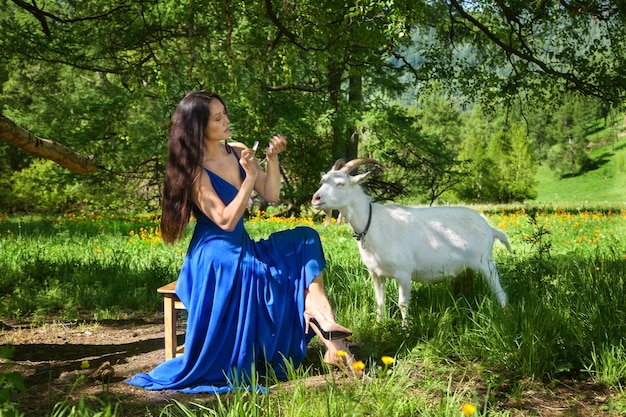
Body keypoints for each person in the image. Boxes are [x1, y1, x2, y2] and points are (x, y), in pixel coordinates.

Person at [127, 91, 357, 394]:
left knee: (305, 237)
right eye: (217, 118)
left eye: (225, 113)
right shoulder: (194, 168)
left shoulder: (236, 150)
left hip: (243, 244)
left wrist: (271, 161)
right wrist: (248, 179)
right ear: (198, 126)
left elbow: (272, 195)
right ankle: (331, 338)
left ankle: (326, 325)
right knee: (261, 274)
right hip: (215, 253)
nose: (226, 121)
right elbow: (225, 220)